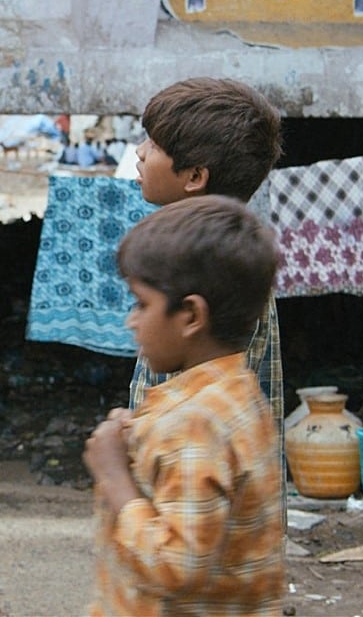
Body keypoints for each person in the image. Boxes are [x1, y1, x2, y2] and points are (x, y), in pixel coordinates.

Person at [83, 195, 285, 616]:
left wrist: (115, 475)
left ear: (191, 315)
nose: (131, 321)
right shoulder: (236, 394)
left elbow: (177, 565)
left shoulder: (196, 422)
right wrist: (138, 434)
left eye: (141, 304)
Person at [126, 77, 285, 495]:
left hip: (196, 497)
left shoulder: (211, 268)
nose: (140, 152)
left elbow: (196, 414)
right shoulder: (214, 253)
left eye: (154, 146)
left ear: (194, 175)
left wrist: (118, 479)